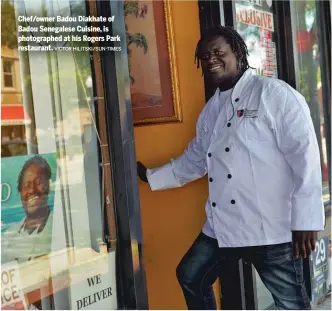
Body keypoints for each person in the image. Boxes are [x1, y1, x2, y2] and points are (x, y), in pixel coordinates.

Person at [137, 26, 325, 310]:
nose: (210, 59)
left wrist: (306, 220)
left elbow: (305, 155)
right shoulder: (210, 111)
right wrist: (150, 177)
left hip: (271, 227)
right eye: (204, 56)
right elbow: (195, 160)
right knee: (190, 275)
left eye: (217, 52)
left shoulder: (273, 93)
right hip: (223, 226)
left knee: (291, 304)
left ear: (237, 51)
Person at [1, 155, 53, 264]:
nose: (32, 190)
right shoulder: (7, 238)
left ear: (48, 185)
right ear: (20, 193)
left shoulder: (60, 227)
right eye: (27, 186)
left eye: (38, 182)